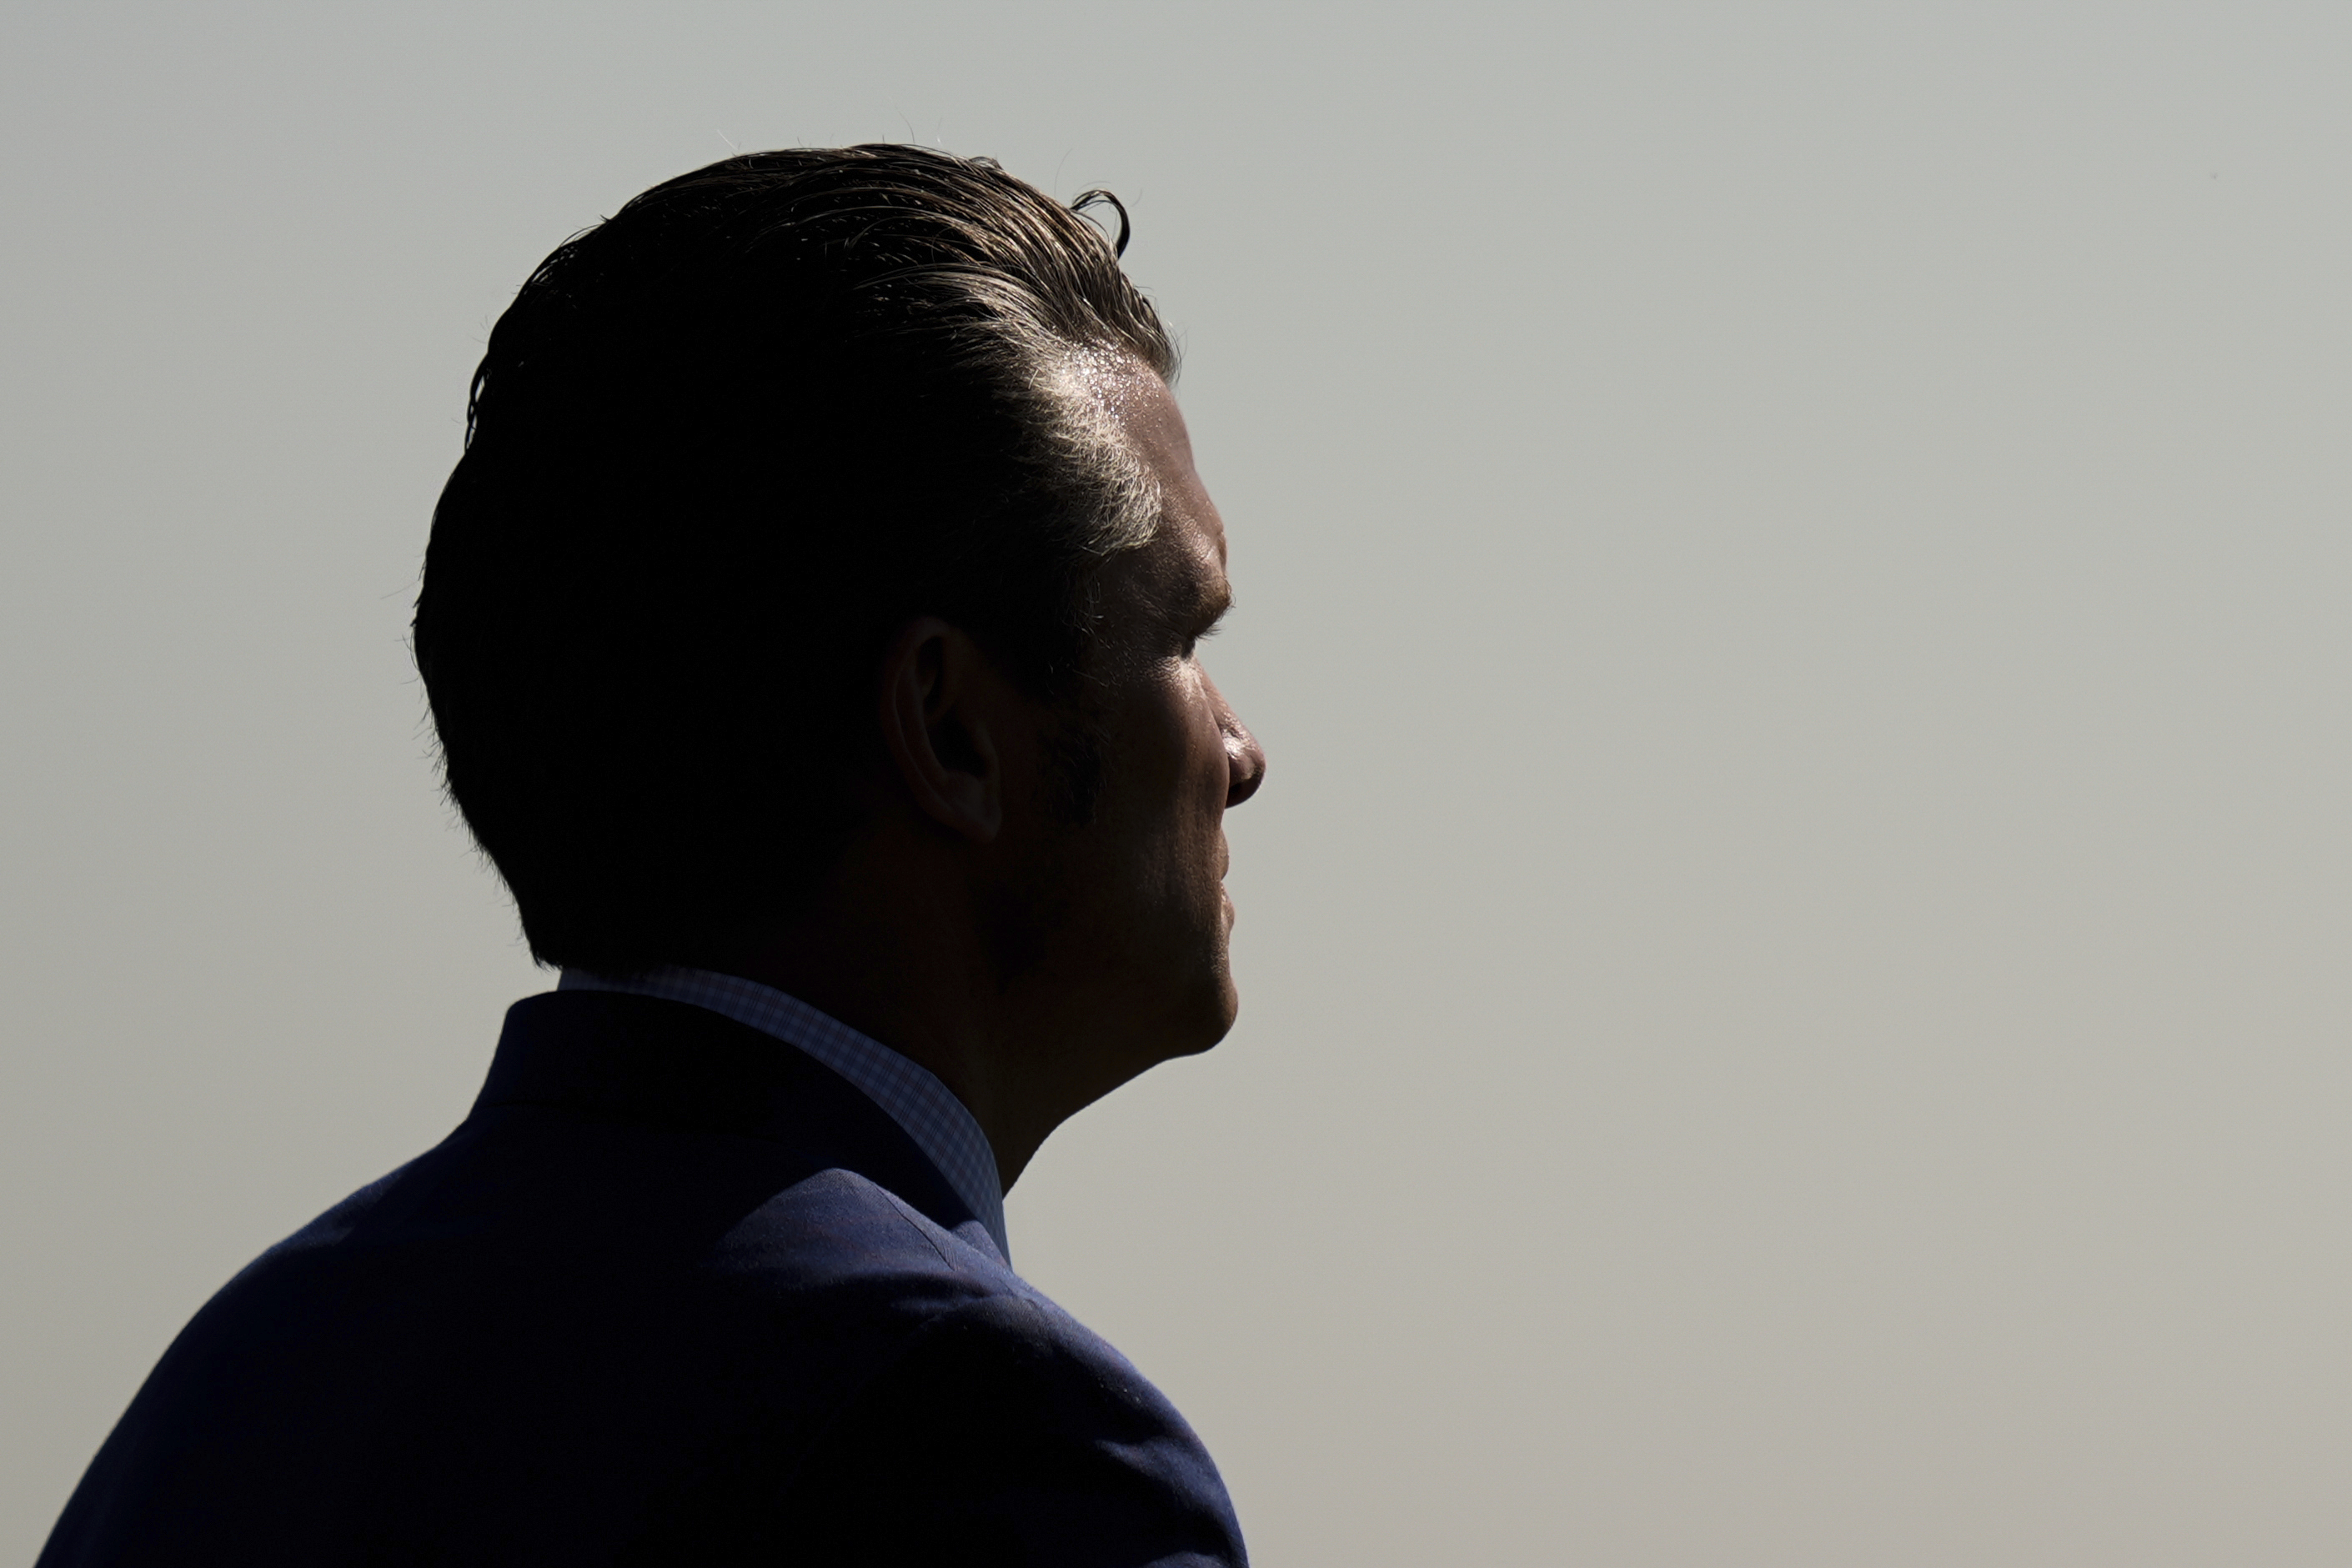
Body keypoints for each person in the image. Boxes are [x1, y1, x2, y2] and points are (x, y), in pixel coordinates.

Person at [39, 144, 1266, 1567]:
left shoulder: (245, 1384)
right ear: (950, 729)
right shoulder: (989, 1436)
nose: (1240, 751)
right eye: (1181, 637)